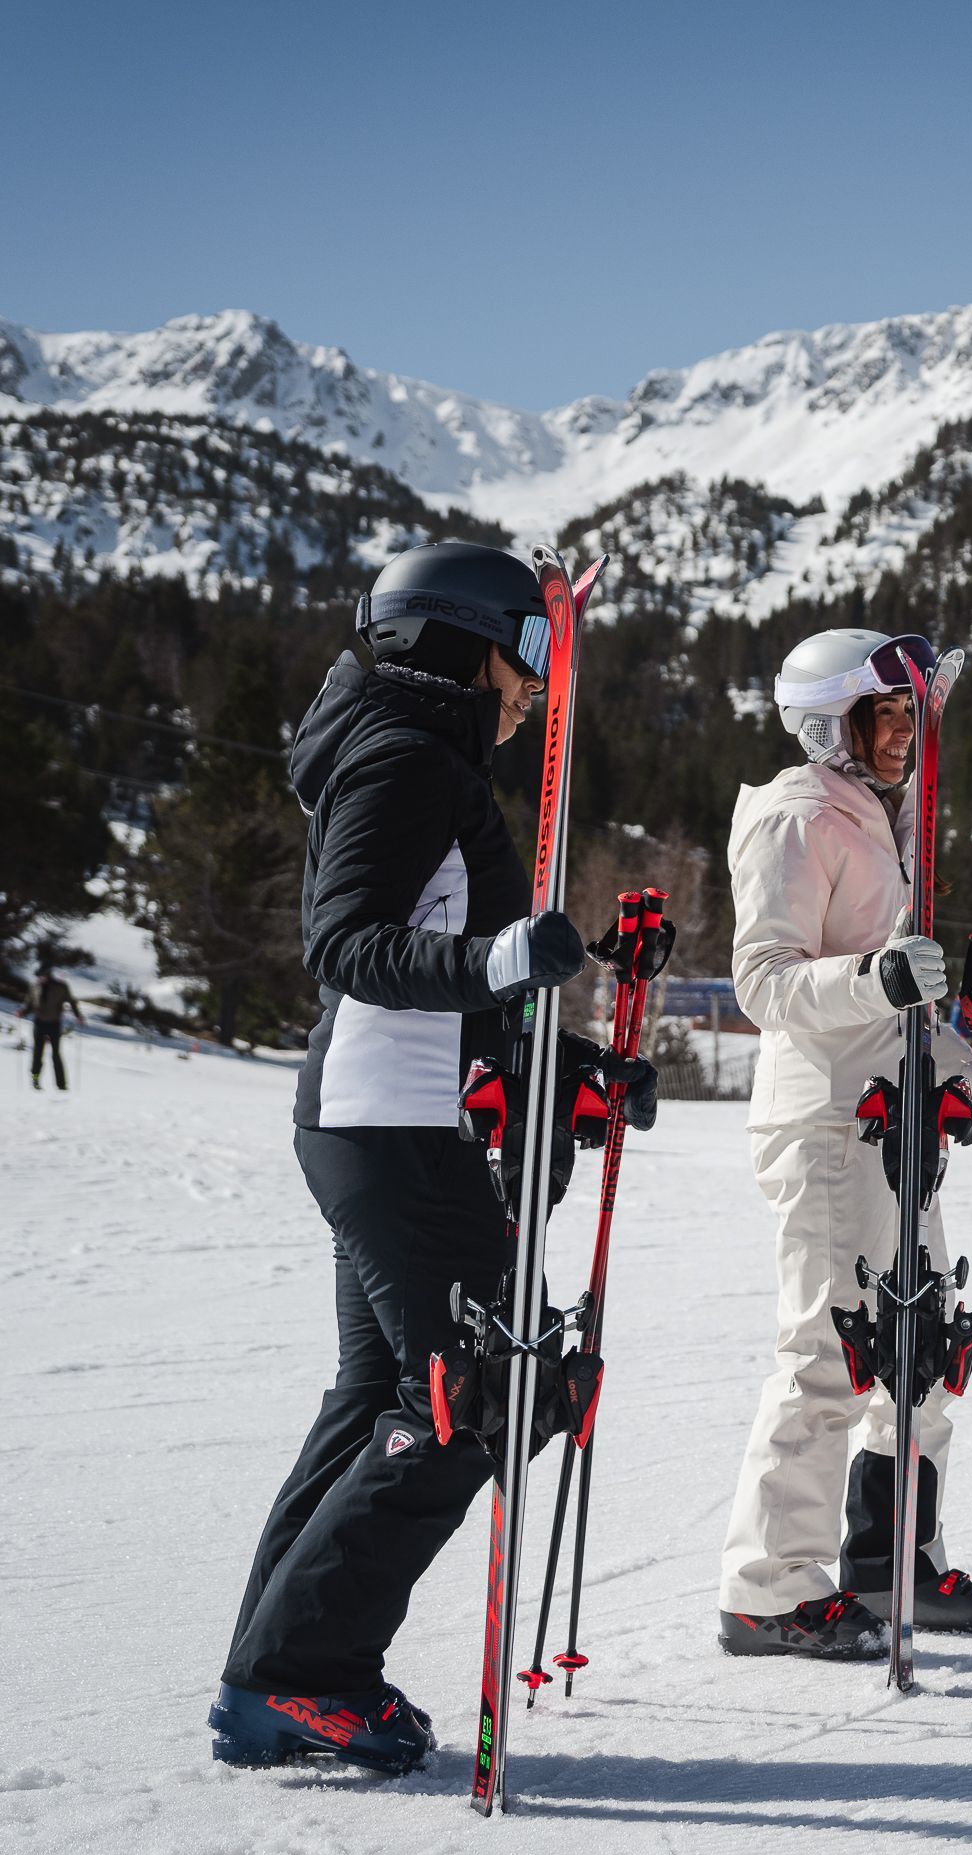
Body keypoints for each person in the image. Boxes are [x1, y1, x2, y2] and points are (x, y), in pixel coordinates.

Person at [212, 543, 659, 1773]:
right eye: (526, 655)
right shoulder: (403, 757)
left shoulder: (425, 755)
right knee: (478, 1393)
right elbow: (348, 946)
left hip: (391, 1119)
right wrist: (500, 963)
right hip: (388, 1124)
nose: (530, 689)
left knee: (382, 1401)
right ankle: (301, 1674)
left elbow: (472, 988)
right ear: (460, 642)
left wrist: (572, 1073)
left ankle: (277, 1670)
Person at [717, 627, 972, 1660]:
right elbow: (765, 982)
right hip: (823, 1120)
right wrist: (880, 980)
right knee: (829, 1351)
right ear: (833, 722)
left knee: (920, 1350)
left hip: (897, 1115)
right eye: (884, 714)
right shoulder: (796, 814)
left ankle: (889, 1553)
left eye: (911, 714)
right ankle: (766, 1587)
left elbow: (899, 1004)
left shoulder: (881, 819)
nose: (904, 734)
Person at [23, 960, 82, 1089]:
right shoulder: (35, 987)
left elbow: (71, 1001)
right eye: (38, 976)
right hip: (39, 1024)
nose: (39, 978)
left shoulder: (60, 987)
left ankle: (61, 1085)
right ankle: (35, 1080)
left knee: (56, 1055)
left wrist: (78, 1016)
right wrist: (22, 1012)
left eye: (41, 975)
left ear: (48, 975)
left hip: (54, 1024)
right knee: (37, 1053)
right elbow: (30, 1005)